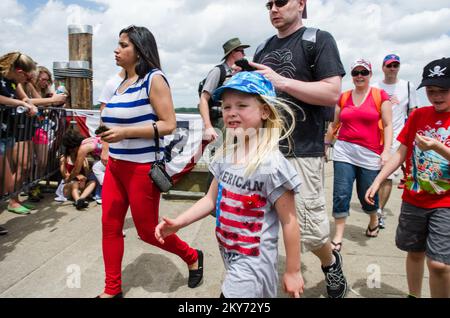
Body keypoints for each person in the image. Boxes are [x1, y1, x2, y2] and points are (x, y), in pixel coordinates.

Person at [156, 71, 304, 298]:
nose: (232, 113)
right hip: (231, 257)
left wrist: (293, 271)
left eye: (242, 106)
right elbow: (209, 199)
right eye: (226, 107)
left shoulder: (272, 165)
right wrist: (179, 223)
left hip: (252, 267)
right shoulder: (226, 156)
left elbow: (290, 222)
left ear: (265, 111)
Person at [96, 25, 202, 298]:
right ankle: (112, 290)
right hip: (116, 167)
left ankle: (192, 256)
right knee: (109, 227)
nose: (116, 50)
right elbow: (108, 119)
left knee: (146, 231)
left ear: (140, 50)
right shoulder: (120, 83)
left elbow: (169, 124)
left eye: (123, 45)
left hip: (141, 169)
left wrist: (125, 132)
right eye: (118, 44)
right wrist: (108, 140)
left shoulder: (154, 79)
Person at [251, 0, 347, 298]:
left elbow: (332, 93)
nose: (273, 9)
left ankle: (330, 263)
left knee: (312, 231)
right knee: (260, 225)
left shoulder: (318, 39)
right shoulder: (262, 47)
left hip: (302, 150)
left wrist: (280, 81)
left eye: (280, 2)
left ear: (301, 3)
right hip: (265, 150)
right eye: (268, 4)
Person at [365, 57, 450, 298]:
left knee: (439, 264)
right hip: (414, 198)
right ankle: (413, 294)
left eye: (443, 90)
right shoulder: (418, 116)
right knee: (414, 252)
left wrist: (438, 148)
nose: (437, 96)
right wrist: (379, 178)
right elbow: (401, 151)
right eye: (431, 91)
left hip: (445, 202)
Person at [324, 59, 393, 249]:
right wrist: (326, 144)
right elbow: (334, 124)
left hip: (370, 153)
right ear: (352, 76)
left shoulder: (380, 95)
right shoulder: (344, 97)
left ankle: (373, 218)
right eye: (356, 73)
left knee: (367, 196)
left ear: (370, 74)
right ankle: (338, 236)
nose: (360, 76)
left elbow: (387, 125)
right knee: (341, 193)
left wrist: (386, 151)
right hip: (344, 151)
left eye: (364, 72)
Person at [373, 54, 419, 229]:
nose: (392, 68)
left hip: (397, 137)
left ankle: (379, 211)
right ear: (383, 67)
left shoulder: (407, 86)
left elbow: (413, 112)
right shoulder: (375, 87)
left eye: (395, 65)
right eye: (389, 65)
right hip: (375, 136)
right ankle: (372, 205)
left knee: (387, 176)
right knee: (373, 174)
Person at [0, 52, 38, 215]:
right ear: (20, 72)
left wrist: (31, 106)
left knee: (3, 184)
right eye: (28, 78)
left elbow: (24, 98)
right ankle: (12, 202)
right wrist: (18, 103)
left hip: (7, 133)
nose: (29, 81)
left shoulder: (13, 82)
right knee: (6, 181)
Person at [198, 37, 250, 141]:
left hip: (238, 123)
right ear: (233, 53)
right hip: (220, 123)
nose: (244, 55)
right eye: (242, 51)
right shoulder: (218, 71)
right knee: (221, 154)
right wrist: (208, 127)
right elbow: (203, 99)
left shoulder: (242, 73)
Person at [60, 129, 96, 210]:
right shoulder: (64, 159)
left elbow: (87, 174)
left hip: (81, 186)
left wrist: (83, 179)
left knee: (92, 182)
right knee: (74, 183)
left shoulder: (83, 158)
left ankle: (81, 199)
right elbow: (65, 178)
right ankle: (78, 200)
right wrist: (77, 176)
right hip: (68, 187)